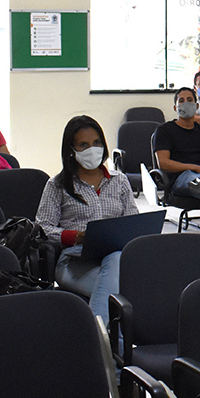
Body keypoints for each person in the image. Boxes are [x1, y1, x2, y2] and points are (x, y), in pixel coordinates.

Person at [35, 115, 138, 323]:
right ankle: (106, 344)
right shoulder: (57, 185)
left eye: (97, 143)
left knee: (116, 262)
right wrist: (75, 237)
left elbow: (133, 221)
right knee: (127, 295)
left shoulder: (120, 181)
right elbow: (41, 229)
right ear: (71, 152)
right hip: (75, 261)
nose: (92, 149)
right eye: (83, 145)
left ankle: (101, 344)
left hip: (116, 259)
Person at [154, 87, 200, 198]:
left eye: (190, 100)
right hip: (180, 177)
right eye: (181, 100)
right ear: (175, 108)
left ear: (197, 106)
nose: (186, 103)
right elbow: (163, 163)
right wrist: (195, 167)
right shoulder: (164, 130)